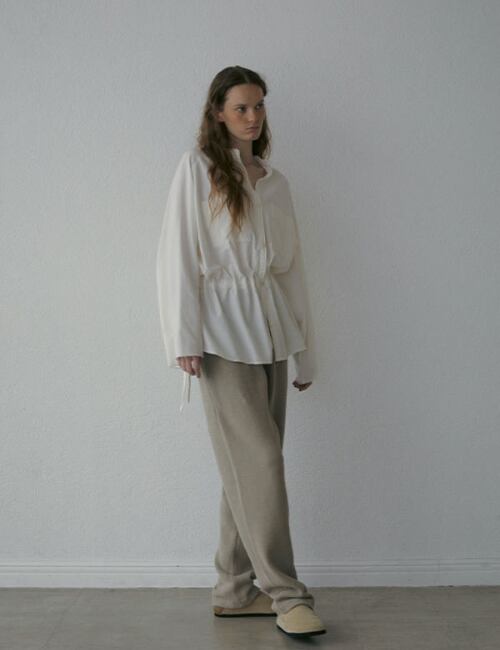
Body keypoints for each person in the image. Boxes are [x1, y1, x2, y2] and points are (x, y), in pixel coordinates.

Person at [156, 66, 326, 638]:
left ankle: (233, 589)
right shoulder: (198, 169)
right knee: (262, 464)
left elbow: (291, 271)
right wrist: (183, 338)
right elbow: (177, 255)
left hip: (272, 332)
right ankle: (287, 594)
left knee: (247, 467)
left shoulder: (275, 182)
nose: (253, 118)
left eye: (259, 107)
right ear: (218, 113)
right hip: (221, 337)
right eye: (241, 108)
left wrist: (304, 351)